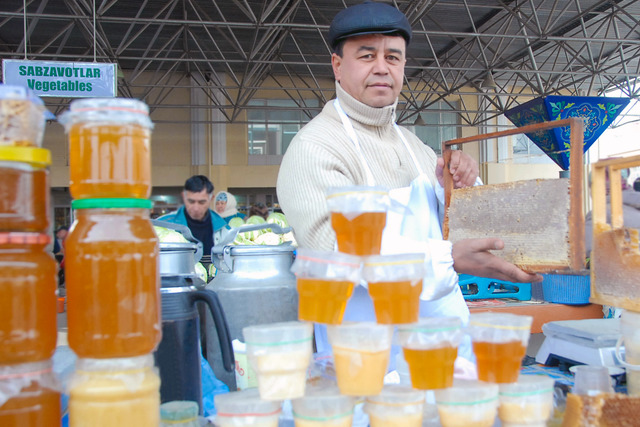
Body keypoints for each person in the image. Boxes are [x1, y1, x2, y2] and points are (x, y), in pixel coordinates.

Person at [276, 2, 541, 366]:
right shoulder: (315, 147)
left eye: (394, 57)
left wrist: (463, 188)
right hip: (369, 352)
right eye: (366, 55)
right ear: (338, 66)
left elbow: (451, 227)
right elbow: (337, 252)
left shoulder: (414, 145)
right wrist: (447, 258)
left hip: (440, 341)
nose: (382, 68)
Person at [159, 175, 228, 256]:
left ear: (211, 198)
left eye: (201, 202)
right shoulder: (163, 224)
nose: (196, 208)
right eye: (191, 202)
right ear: (184, 197)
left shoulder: (223, 228)